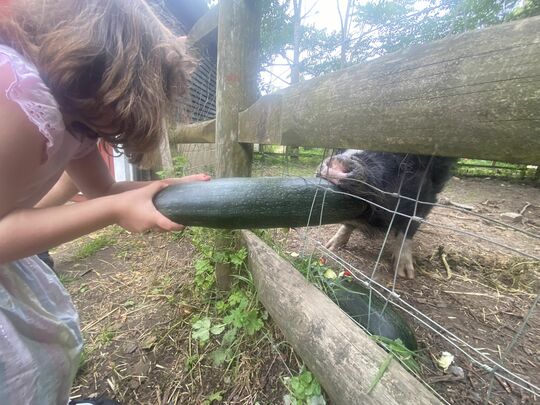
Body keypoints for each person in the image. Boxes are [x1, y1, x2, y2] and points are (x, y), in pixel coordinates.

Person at [0, 1, 210, 404]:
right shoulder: (21, 96)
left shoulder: (79, 118)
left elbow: (104, 192)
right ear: (101, 71)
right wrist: (114, 213)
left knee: (47, 358)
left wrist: (170, 186)